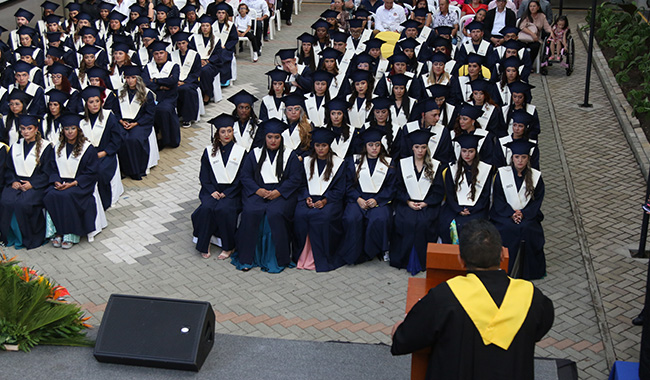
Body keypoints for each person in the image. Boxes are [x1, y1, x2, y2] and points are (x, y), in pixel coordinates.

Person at [391, 218, 554, 379]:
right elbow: (538, 330)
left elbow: (405, 340)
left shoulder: (445, 296)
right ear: (502, 256)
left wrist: (399, 330)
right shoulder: (532, 297)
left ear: (461, 260)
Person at [232, 118, 302, 272]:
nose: (273, 140)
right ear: (264, 137)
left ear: (281, 138)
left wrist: (279, 191)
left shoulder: (290, 155)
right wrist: (258, 190)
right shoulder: (254, 154)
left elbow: (296, 178)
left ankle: (276, 258)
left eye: (277, 137)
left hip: (281, 193)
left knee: (275, 213)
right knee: (251, 212)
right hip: (258, 191)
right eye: (270, 137)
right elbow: (245, 176)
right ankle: (248, 258)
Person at [44, 114, 103, 249]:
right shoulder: (58, 146)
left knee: (67, 196)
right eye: (66, 129)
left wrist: (74, 183)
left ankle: (70, 234)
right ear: (63, 131)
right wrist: (56, 181)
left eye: (72, 128)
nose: (70, 132)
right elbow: (52, 167)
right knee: (50, 195)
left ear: (78, 130)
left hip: (80, 184)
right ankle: (58, 231)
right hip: (61, 182)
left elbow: (92, 172)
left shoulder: (87, 148)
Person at [390, 129, 445, 274]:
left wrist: (426, 203)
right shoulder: (403, 164)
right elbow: (398, 187)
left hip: (427, 204)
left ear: (427, 148)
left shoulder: (435, 165)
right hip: (407, 203)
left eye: (423, 147)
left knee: (423, 223)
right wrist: (407, 201)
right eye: (417, 147)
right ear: (412, 148)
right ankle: (403, 259)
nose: (420, 150)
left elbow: (438, 191)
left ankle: (422, 261)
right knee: (406, 221)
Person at [191, 114, 245, 259]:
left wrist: (228, 192)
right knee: (206, 208)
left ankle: (228, 246)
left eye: (229, 131)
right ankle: (204, 243)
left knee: (224, 209)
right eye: (223, 131)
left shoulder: (241, 152)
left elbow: (242, 177)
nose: (226, 135)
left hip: (233, 192)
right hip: (212, 190)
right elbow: (204, 175)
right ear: (217, 134)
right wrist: (212, 191)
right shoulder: (209, 152)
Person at [293, 128, 347, 272]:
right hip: (309, 198)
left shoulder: (339, 163)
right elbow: (301, 184)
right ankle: (302, 255)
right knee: (300, 215)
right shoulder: (306, 161)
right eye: (317, 145)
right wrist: (306, 197)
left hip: (330, 200)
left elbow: (340, 189)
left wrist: (325, 200)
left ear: (329, 146)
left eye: (324, 145)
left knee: (323, 216)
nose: (320, 149)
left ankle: (320, 257)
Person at [340, 127, 396, 264]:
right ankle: (353, 253)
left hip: (379, 200)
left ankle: (374, 251)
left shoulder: (389, 163)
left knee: (380, 218)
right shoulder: (353, 161)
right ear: (365, 146)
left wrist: (377, 200)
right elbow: (347, 185)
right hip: (357, 199)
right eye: (370, 145)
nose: (374, 148)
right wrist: (357, 199)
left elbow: (391, 187)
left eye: (377, 145)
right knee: (352, 217)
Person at [490, 139, 545, 279]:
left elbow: (537, 201)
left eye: (523, 157)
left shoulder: (535, 176)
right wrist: (511, 214)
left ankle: (528, 271)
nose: (520, 161)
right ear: (512, 158)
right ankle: (505, 269)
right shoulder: (502, 174)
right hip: (504, 215)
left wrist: (523, 214)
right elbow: (498, 198)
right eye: (517, 157)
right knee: (508, 228)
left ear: (528, 158)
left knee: (527, 229)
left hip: (527, 216)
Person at [1, 115, 54, 250]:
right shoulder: (16, 146)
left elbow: (48, 171)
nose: (26, 132)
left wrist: (33, 184)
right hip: (17, 182)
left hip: (37, 185)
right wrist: (13, 181)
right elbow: (9, 168)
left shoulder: (46, 147)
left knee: (23, 203)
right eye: (23, 129)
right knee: (6, 201)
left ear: (36, 129)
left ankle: (28, 239)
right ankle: (10, 237)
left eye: (29, 128)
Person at [439, 134, 493, 243]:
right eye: (464, 151)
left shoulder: (485, 169)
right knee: (447, 224)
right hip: (455, 207)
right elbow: (450, 194)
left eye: (471, 151)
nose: (467, 154)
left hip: (477, 209)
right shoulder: (452, 168)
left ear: (476, 152)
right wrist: (458, 209)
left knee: (475, 227)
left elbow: (485, 195)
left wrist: (472, 209)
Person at [79, 86, 124, 210]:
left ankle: (104, 202)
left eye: (97, 101)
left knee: (101, 172)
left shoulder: (109, 116)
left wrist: (103, 153)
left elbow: (116, 139)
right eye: (91, 102)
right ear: (86, 104)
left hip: (105, 154)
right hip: (86, 155)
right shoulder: (81, 119)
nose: (95, 105)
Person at [116, 65, 156, 180]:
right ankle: (124, 170)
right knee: (120, 138)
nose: (130, 80)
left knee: (133, 139)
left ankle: (136, 170)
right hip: (123, 122)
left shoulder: (146, 93)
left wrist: (136, 123)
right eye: (127, 77)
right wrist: (121, 121)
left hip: (140, 123)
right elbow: (116, 110)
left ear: (138, 79)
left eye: (133, 77)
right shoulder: (120, 92)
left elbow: (149, 113)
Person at [142, 40, 181, 149]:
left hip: (169, 97)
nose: (159, 56)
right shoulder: (148, 67)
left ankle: (166, 139)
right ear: (153, 55)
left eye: (161, 53)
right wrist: (162, 86)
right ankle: (156, 138)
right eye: (156, 54)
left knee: (163, 110)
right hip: (152, 97)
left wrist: (155, 81)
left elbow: (173, 81)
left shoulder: (173, 66)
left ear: (166, 53)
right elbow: (146, 83)